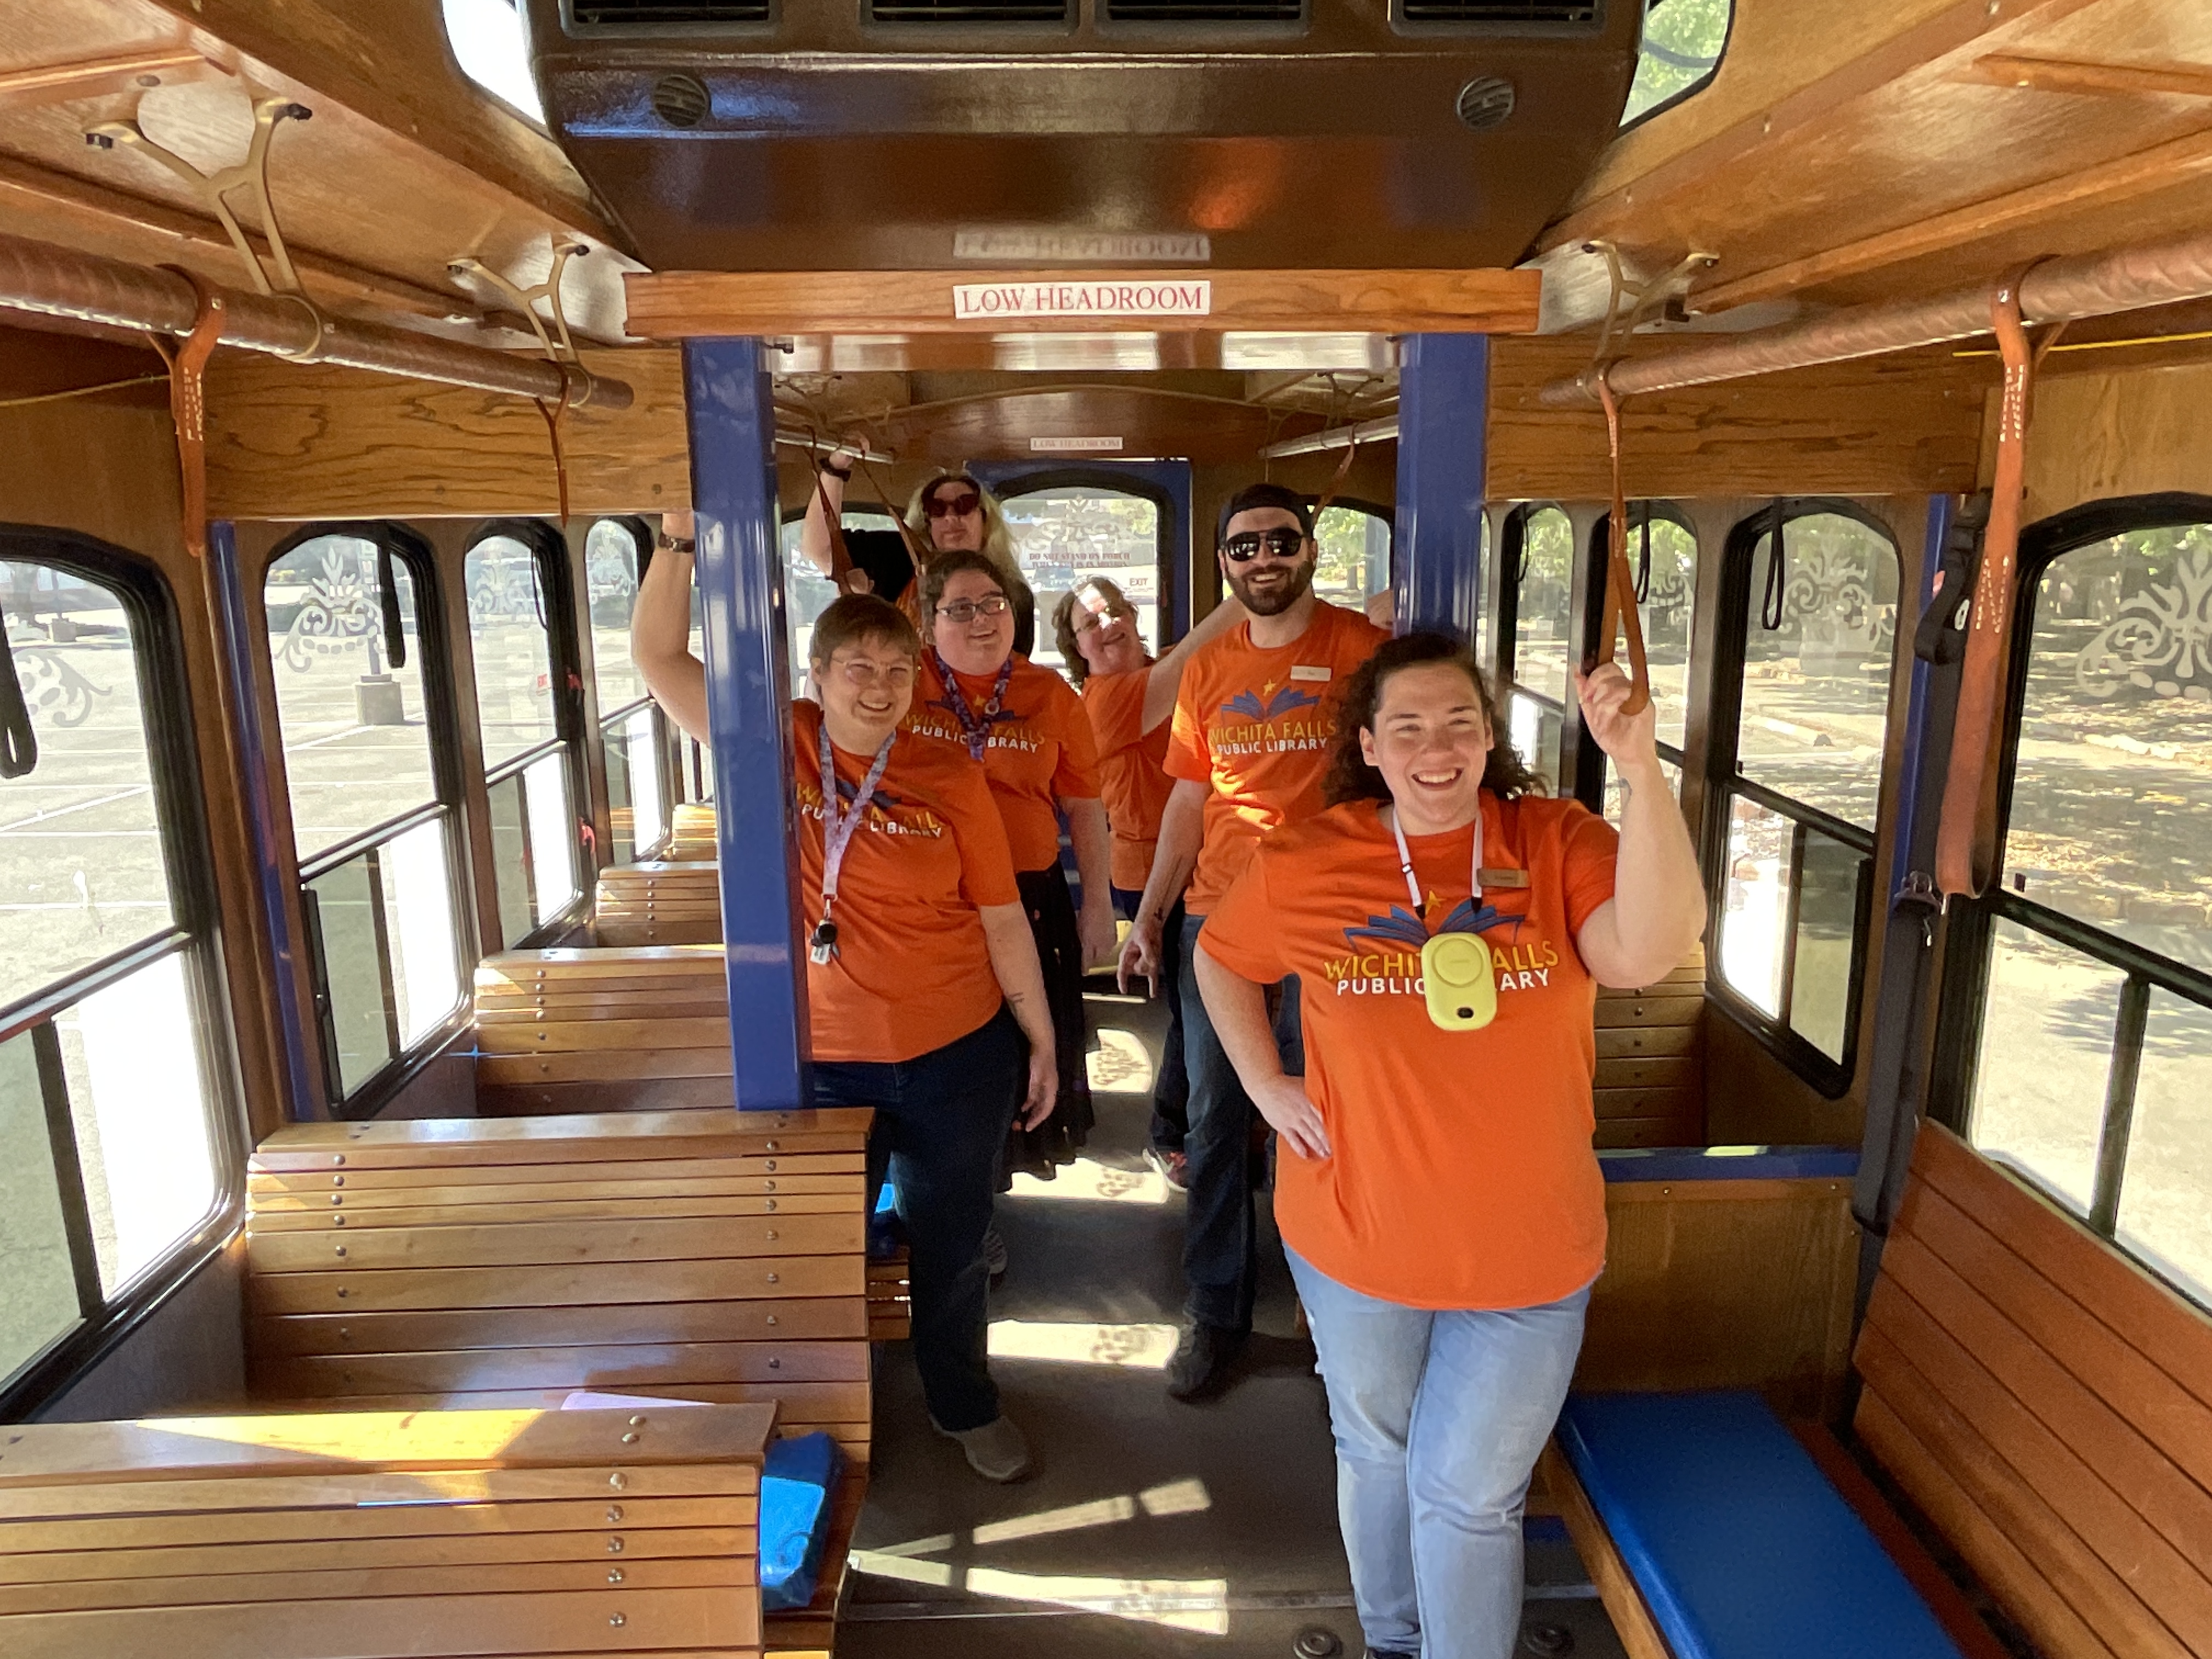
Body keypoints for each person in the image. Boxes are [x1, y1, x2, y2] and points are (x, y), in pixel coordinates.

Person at [1192, 634, 1706, 1659]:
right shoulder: (1306, 859)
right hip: (1354, 1235)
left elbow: (1649, 948)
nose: (1438, 747)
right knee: (1376, 1449)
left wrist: (1643, 767)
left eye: (1460, 722)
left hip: (1527, 1248)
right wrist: (1264, 1081)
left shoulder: (1554, 839)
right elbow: (1220, 955)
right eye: (1410, 726)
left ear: (1489, 738)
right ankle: (1391, 1637)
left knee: (1466, 1493)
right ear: (1371, 747)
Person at [631, 544, 1056, 1485]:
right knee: (814, 1246)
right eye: (857, 666)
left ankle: (961, 1398)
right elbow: (660, 658)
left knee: (948, 1244)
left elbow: (998, 917)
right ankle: (822, 1414)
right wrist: (676, 543)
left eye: (899, 667)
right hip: (819, 1061)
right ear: (817, 676)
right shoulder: (771, 743)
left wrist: (1040, 1037)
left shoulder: (950, 774)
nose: (880, 684)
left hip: (957, 1052)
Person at [1117, 482, 1388, 1401]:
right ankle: (1215, 1303)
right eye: (1243, 549)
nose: (1262, 560)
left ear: (1308, 549)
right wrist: (1149, 915)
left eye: (1279, 543)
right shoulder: (1207, 669)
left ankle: (1334, 1294)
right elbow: (1189, 801)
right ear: (1224, 564)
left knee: (1324, 1111)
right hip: (1219, 919)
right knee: (1218, 1117)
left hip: (1332, 919)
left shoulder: (1361, 650)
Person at [910, 550, 1114, 1181]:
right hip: (936, 902)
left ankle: (996, 1184)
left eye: (994, 604)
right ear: (928, 623)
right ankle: (963, 1188)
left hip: (1029, 898)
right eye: (961, 608)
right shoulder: (905, 681)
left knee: (1025, 1046)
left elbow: (1084, 806)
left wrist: (1099, 906)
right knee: (955, 1052)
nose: (981, 620)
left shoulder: (1048, 693)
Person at [1050, 575, 1246, 1188]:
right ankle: (1171, 1133)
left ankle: (1219, 1127)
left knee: (1208, 1006)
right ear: (1078, 647)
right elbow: (1193, 663)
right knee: (1192, 1011)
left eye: (1113, 612)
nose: (1106, 626)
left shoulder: (1162, 667)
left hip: (1210, 861)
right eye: (1090, 624)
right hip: (1148, 874)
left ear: (1134, 616)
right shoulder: (1106, 698)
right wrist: (1249, 592)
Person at [800, 454, 1039, 656]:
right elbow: (821, 549)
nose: (951, 518)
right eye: (937, 509)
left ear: (985, 518)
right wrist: (836, 468)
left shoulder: (1015, 594)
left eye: (964, 505)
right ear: (927, 522)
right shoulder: (897, 559)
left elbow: (1016, 675)